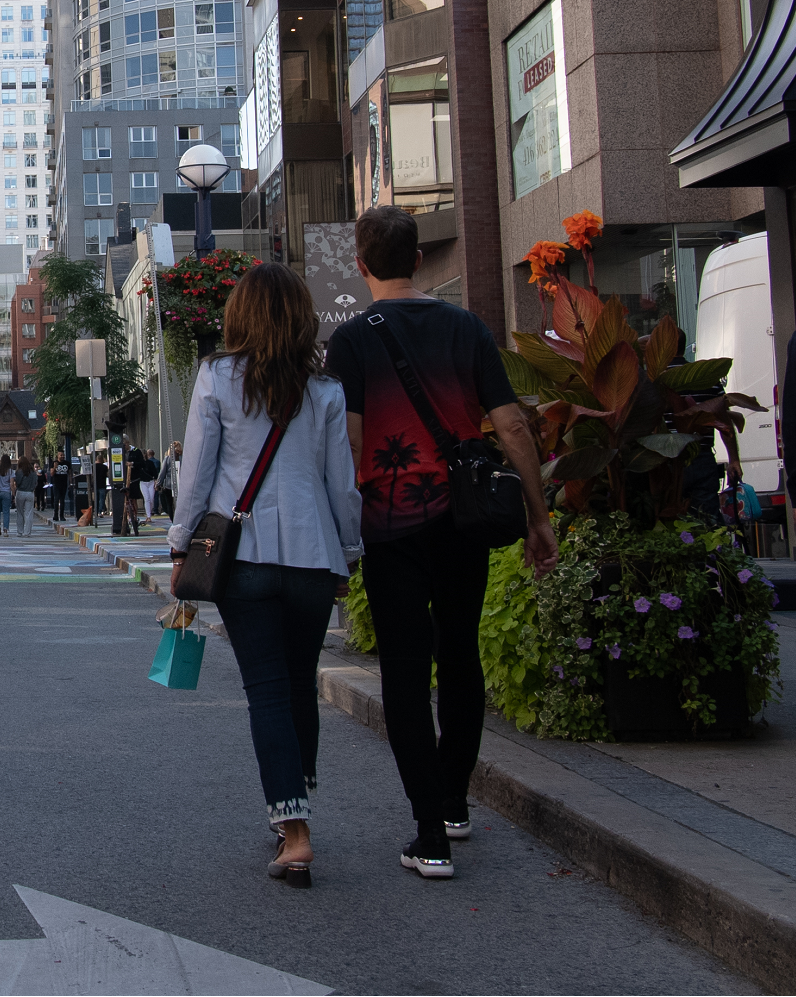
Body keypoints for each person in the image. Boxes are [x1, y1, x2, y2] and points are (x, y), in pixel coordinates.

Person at [324, 206, 557, 879]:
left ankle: (428, 832)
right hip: (462, 521)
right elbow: (511, 425)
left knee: (402, 667)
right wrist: (537, 516)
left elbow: (352, 443)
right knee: (460, 652)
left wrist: (343, 534)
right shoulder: (465, 328)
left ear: (361, 265)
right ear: (419, 258)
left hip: (391, 526)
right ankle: (454, 799)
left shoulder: (351, 341)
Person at [169, 263, 362, 889]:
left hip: (244, 556)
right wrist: (349, 553)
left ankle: (295, 829)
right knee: (297, 684)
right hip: (312, 557)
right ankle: (293, 806)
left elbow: (197, 474)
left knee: (268, 691)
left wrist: (180, 545)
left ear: (240, 317)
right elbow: (343, 485)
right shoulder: (325, 390)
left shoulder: (218, 378)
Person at [0, 454, 18, 536]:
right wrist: (14, 494)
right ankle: (5, 530)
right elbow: (12, 484)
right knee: (6, 511)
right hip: (6, 493)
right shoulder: (11, 471)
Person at [158, 442, 181, 519]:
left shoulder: (167, 459)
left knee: (169, 504)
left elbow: (162, 472)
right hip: (181, 485)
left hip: (169, 485)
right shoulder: (183, 458)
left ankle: (173, 521)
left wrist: (158, 483)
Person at [16, 458, 38, 537]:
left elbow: (17, 482)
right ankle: (27, 532)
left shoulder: (19, 472)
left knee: (20, 512)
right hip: (30, 493)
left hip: (20, 492)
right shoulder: (33, 472)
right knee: (28, 513)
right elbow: (36, 482)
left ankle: (20, 531)